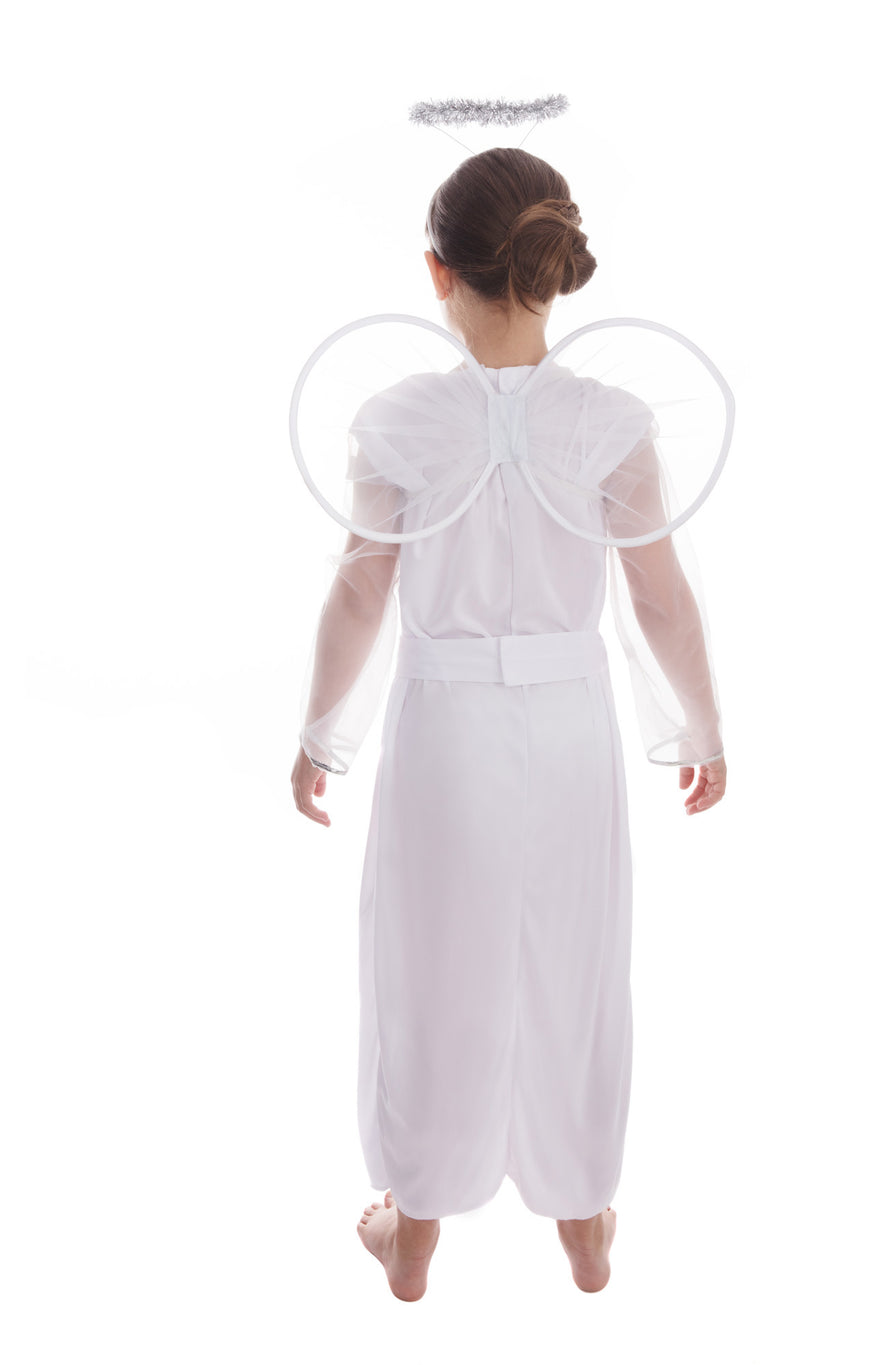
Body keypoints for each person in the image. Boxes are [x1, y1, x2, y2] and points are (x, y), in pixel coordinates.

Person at [290, 147, 727, 1300]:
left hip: (444, 733)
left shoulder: (397, 420)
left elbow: (360, 592)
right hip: (571, 730)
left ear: (438, 272)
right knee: (569, 962)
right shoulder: (608, 422)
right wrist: (703, 729)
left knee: (432, 965)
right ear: (551, 267)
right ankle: (583, 1222)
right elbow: (660, 598)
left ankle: (416, 1229)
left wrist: (320, 734)